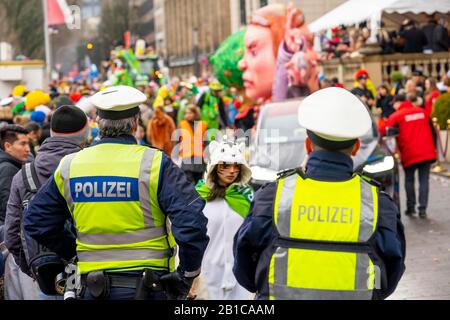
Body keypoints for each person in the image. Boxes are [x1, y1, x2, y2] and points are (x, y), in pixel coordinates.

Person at [23, 86, 209, 300]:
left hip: (91, 287)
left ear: (98, 124)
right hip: (148, 286)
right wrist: (186, 274)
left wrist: (73, 250)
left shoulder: (70, 166)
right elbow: (192, 222)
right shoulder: (155, 163)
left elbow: (36, 221)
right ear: (136, 123)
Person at [233, 87, 406, 300]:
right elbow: (392, 271)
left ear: (308, 145)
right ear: (355, 148)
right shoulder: (378, 204)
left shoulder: (272, 198)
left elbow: (243, 266)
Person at [3, 105, 89, 300]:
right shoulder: (91, 170)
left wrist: (33, 269)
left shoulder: (24, 175)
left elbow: (12, 235)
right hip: (90, 272)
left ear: (51, 132)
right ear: (85, 135)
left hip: (46, 274)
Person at [194, 139, 254, 300]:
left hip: (241, 280)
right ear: (214, 167)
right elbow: (188, 238)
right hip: (207, 279)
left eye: (236, 165)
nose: (232, 170)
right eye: (225, 165)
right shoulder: (198, 198)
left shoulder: (248, 198)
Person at [382, 96, 437, 218]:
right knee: (424, 180)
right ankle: (423, 208)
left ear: (398, 103)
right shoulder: (423, 112)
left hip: (409, 153)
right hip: (426, 152)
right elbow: (433, 132)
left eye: (394, 104)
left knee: (409, 179)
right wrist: (434, 150)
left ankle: (411, 207)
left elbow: (386, 134)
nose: (393, 106)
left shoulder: (396, 116)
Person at [0, 125, 31, 241]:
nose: (28, 149)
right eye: (23, 144)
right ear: (8, 146)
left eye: (28, 144)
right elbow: (7, 209)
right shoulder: (8, 169)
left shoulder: (10, 165)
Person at [178, 105, 207, 184]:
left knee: (199, 181)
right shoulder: (182, 124)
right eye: (186, 113)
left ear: (195, 113)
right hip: (187, 157)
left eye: (190, 113)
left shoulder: (203, 125)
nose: (187, 115)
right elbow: (177, 140)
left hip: (199, 157)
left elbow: (206, 141)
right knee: (188, 180)